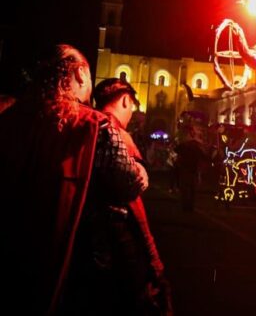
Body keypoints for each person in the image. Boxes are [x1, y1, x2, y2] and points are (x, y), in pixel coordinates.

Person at [0, 44, 148, 315]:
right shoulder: (95, 125)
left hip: (12, 255)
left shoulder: (10, 119)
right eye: (89, 78)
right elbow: (128, 183)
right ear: (80, 74)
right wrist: (140, 171)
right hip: (75, 261)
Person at [92, 78, 173, 314]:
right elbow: (133, 194)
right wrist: (153, 258)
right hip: (119, 232)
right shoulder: (115, 132)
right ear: (126, 100)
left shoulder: (88, 126)